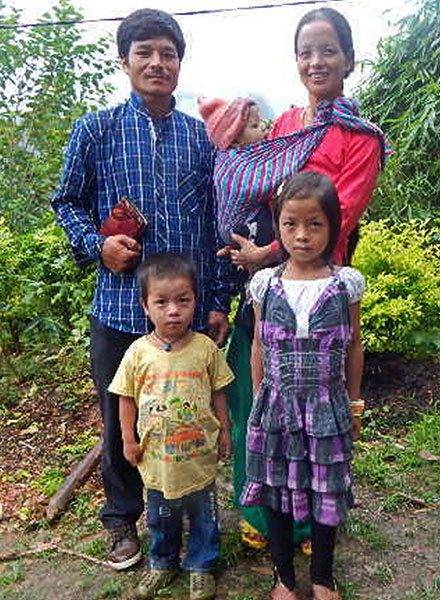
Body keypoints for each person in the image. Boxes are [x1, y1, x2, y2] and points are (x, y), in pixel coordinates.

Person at [51, 8, 234, 570]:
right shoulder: (96, 128)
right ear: (125, 60)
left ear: (180, 63)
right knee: (121, 417)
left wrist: (219, 298)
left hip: (187, 310)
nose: (157, 63)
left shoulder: (199, 139)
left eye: (168, 53)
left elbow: (215, 222)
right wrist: (96, 245)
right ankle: (122, 522)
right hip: (119, 307)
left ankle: (186, 512)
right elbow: (66, 202)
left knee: (183, 412)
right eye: (145, 52)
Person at [224, 6, 389, 551]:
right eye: (306, 52)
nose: (316, 61)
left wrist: (267, 252)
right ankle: (264, 514)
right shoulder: (288, 125)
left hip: (322, 289)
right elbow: (264, 187)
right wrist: (248, 247)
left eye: (328, 50)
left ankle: (312, 519)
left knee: (317, 406)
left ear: (349, 59)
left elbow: (339, 213)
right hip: (268, 286)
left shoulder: (360, 138)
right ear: (296, 61)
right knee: (261, 395)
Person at [241, 171, 365, 600]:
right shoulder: (265, 284)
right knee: (275, 488)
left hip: (327, 404)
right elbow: (258, 346)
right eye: (290, 224)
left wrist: (354, 403)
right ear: (278, 226)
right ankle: (283, 578)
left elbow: (353, 348)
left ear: (332, 226)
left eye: (315, 224)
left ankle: (323, 576)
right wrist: (260, 398)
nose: (302, 235)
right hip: (275, 404)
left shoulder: (344, 284)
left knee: (326, 487)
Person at [109, 253, 234, 600]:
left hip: (199, 459)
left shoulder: (205, 349)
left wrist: (225, 430)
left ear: (196, 300)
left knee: (204, 518)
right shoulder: (137, 353)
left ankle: (201, 566)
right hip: (158, 460)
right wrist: (128, 440)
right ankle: (162, 563)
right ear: (145, 306)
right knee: (161, 518)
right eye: (161, 302)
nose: (173, 310)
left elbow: (219, 391)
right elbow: (125, 398)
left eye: (183, 300)